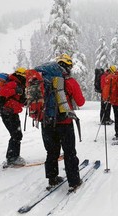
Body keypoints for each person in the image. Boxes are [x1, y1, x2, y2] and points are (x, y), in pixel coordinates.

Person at [41, 54, 85, 192]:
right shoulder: (69, 81)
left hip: (46, 121)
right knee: (69, 152)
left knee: (51, 152)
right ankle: (74, 181)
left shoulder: (43, 81)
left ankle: (52, 179)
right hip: (64, 122)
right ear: (68, 67)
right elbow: (81, 102)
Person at [0, 67, 27, 166]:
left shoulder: (18, 85)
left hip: (11, 113)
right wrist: (15, 90)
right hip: (8, 113)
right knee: (16, 135)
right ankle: (12, 158)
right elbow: (2, 92)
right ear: (20, 76)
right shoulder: (13, 83)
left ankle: (13, 157)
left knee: (16, 135)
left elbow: (17, 100)